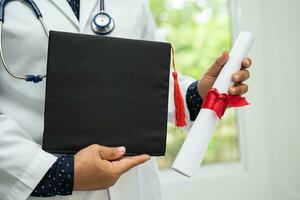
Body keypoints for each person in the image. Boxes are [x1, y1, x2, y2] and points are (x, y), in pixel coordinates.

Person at [0, 0, 252, 199]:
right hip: (43, 184)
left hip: (134, 187)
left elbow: (146, 78)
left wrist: (196, 94)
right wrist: (64, 174)